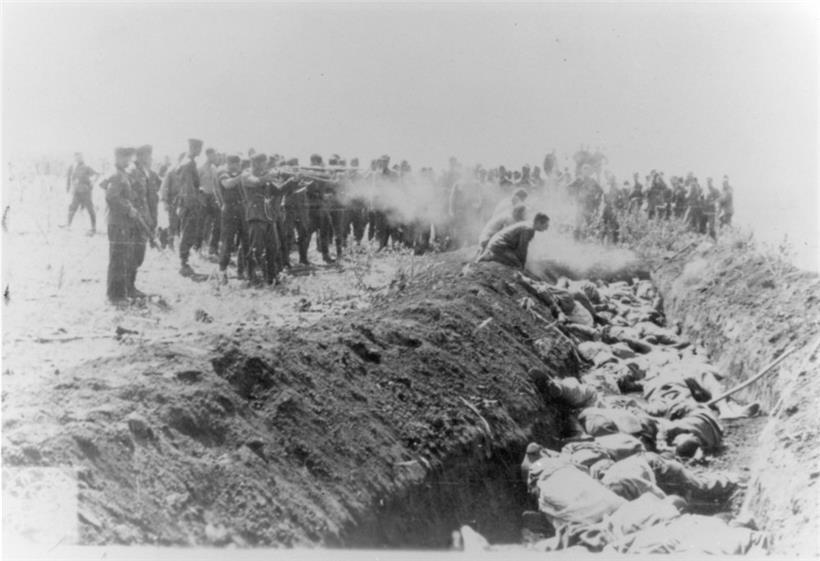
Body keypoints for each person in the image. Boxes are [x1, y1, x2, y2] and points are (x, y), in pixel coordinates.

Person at [104, 147, 139, 304]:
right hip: (117, 223)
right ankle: (115, 296)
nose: (128, 161)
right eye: (125, 157)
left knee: (121, 257)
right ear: (117, 157)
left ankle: (120, 293)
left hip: (121, 222)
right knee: (117, 259)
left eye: (129, 157)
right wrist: (128, 208)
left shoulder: (121, 173)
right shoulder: (117, 175)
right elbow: (111, 197)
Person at [216, 155, 248, 284]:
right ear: (229, 163)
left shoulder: (240, 173)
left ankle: (242, 270)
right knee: (227, 242)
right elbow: (227, 184)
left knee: (245, 240)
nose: (235, 166)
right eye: (233, 163)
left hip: (242, 209)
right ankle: (222, 271)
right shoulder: (223, 173)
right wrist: (242, 176)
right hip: (229, 210)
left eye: (237, 163)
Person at [477, 213, 550, 269]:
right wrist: (522, 264)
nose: (546, 228)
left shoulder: (528, 225)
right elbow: (522, 248)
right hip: (500, 246)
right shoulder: (528, 229)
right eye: (545, 225)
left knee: (516, 262)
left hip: (498, 243)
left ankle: (489, 255)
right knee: (516, 265)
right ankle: (490, 256)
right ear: (538, 222)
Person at [176, 138, 204, 277]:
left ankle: (184, 260)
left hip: (187, 202)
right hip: (189, 204)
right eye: (198, 148)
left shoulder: (187, 162)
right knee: (188, 232)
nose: (199, 151)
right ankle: (183, 263)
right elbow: (187, 187)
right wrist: (193, 204)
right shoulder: (188, 163)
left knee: (187, 231)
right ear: (194, 148)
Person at [64, 152, 99, 234]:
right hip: (76, 192)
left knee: (90, 209)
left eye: (79, 157)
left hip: (86, 192)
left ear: (82, 158)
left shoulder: (87, 167)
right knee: (72, 207)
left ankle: (93, 228)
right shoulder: (73, 167)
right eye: (76, 158)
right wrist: (69, 188)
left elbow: (97, 174)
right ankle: (68, 225)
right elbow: (70, 178)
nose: (78, 159)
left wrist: (93, 182)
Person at [198, 147, 222, 258]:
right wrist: (200, 197)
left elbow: (216, 185)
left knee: (218, 221)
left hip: (213, 197)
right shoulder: (200, 167)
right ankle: (198, 248)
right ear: (208, 155)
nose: (216, 157)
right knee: (202, 224)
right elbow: (195, 184)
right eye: (214, 155)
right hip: (203, 197)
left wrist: (220, 199)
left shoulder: (213, 168)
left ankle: (213, 247)